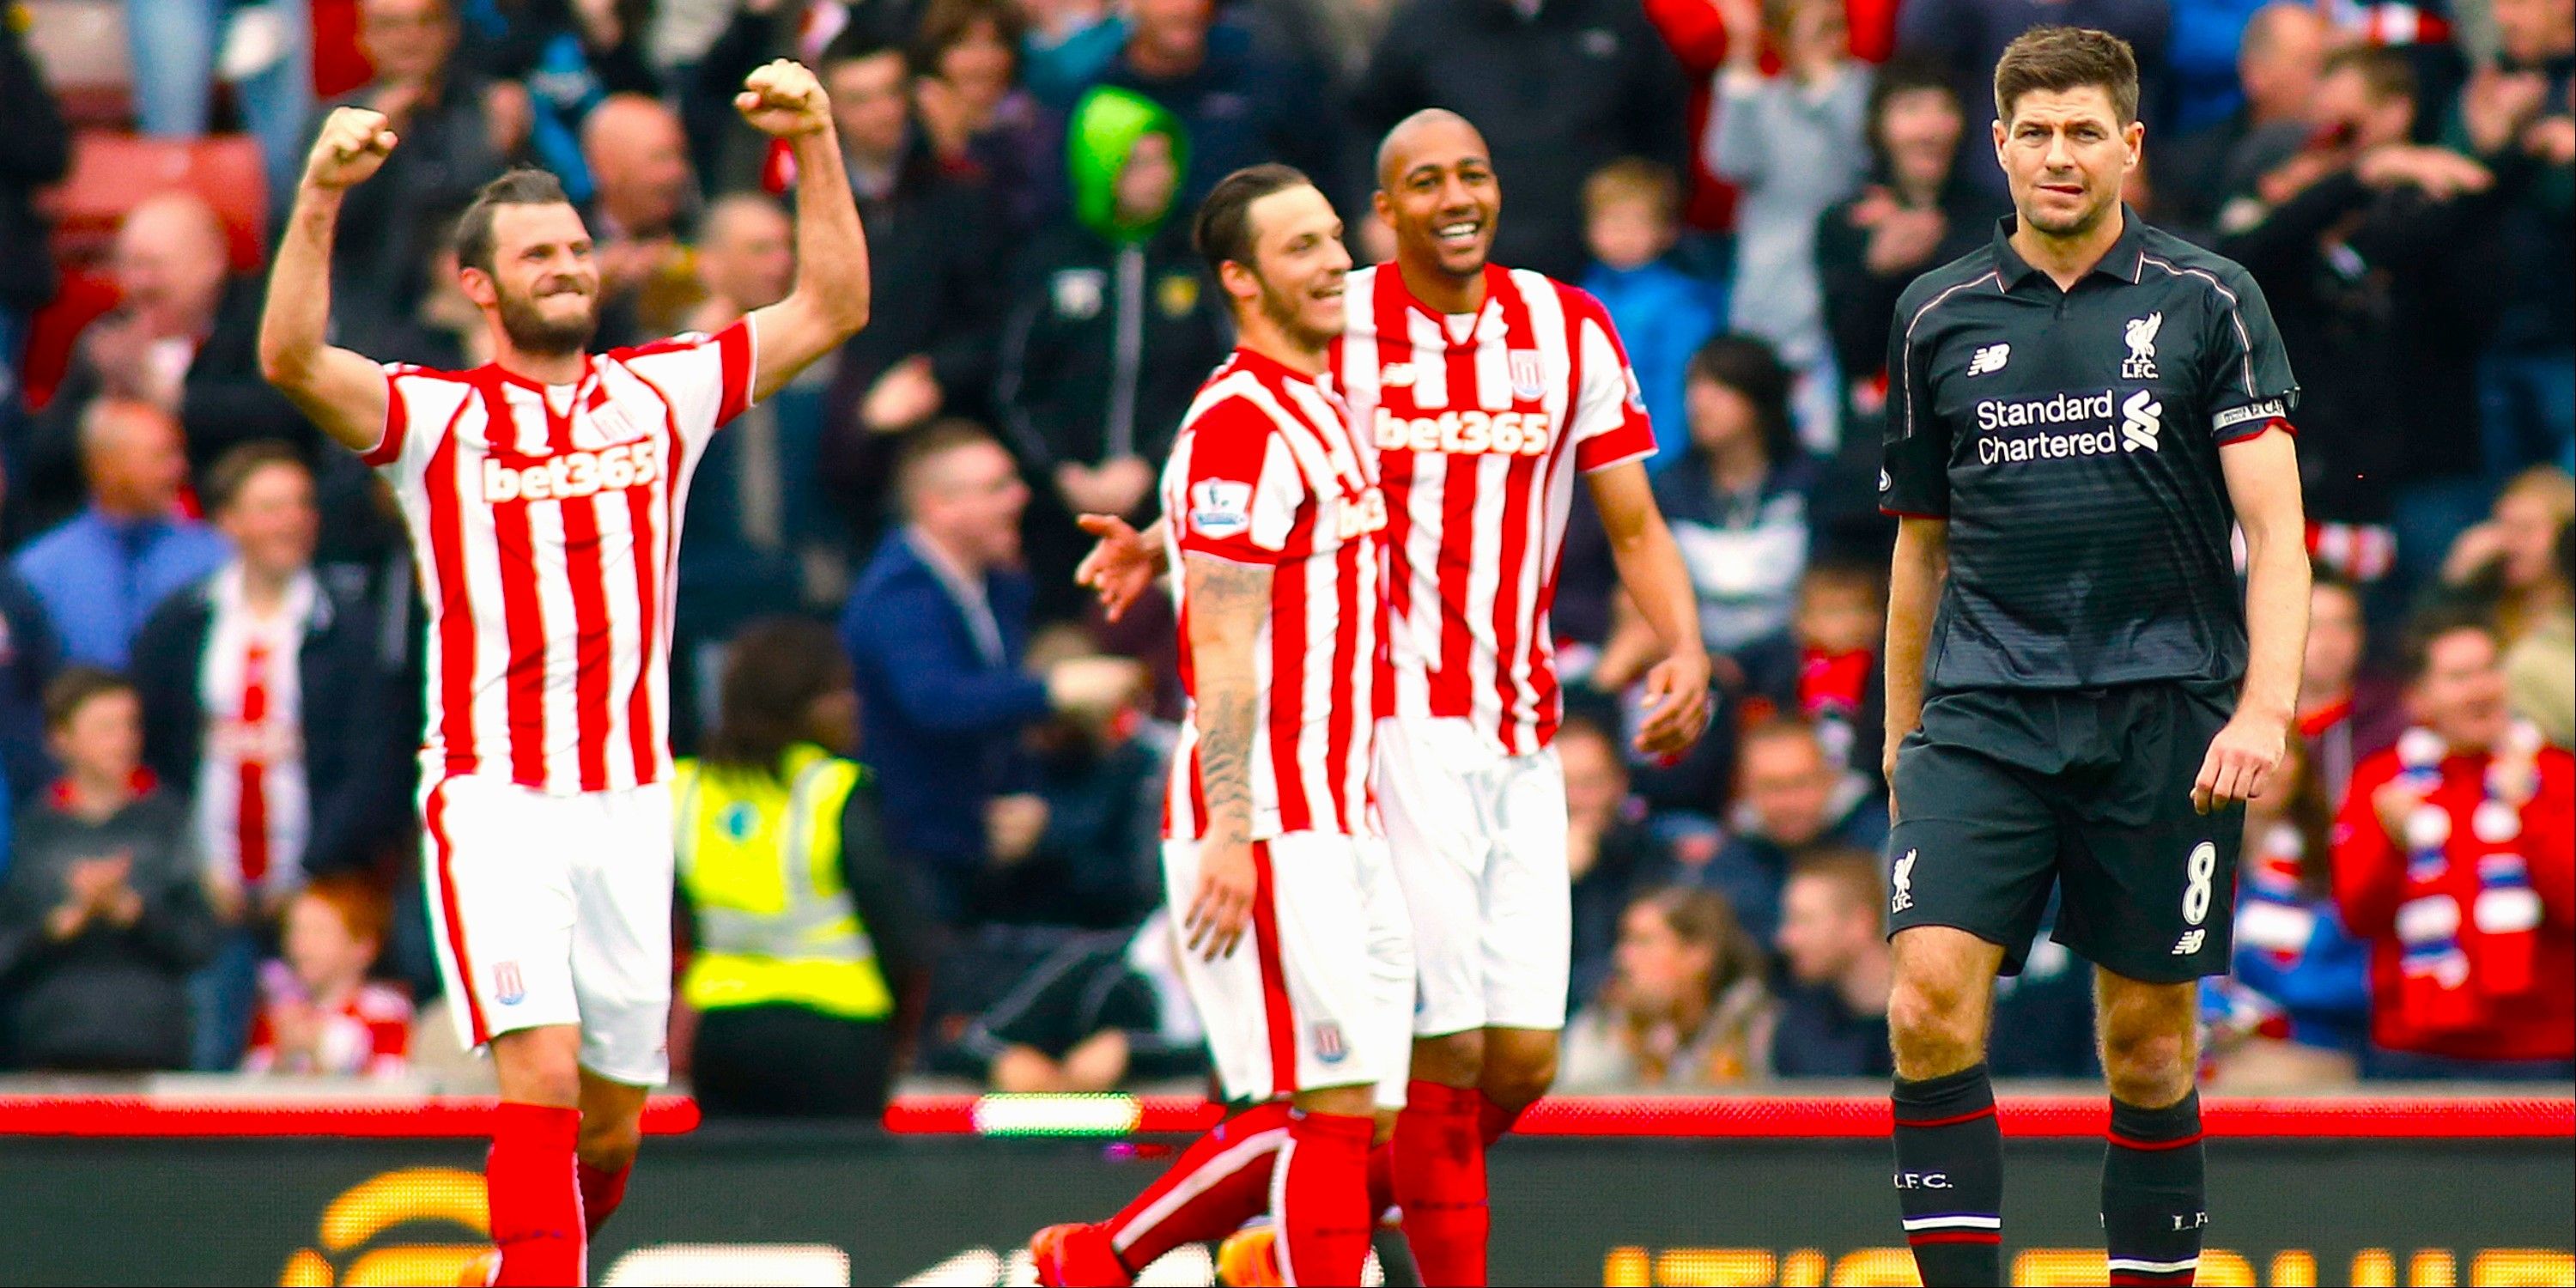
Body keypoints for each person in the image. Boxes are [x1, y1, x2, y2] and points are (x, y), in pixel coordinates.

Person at [255, 57, 871, 1283]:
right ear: (477, 284)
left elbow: (832, 308)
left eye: (578, 247)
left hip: (631, 799)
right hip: (497, 795)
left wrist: (820, 136)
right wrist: (318, 198)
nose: (570, 267)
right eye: (539, 254)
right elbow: (289, 360)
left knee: (613, 1117)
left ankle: (519, 1266)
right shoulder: (435, 418)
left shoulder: (663, 394)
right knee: (536, 1074)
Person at [1076, 111, 1713, 1287]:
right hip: (1392, 731)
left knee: (1518, 1062)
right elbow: (1248, 458)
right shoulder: (1345, 319)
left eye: (1474, 172)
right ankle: (1278, 1238)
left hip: (1525, 728)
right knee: (1430, 1063)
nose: (1456, 196)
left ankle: (1272, 1231)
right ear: (1388, 210)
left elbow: (1631, 517)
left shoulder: (1568, 325)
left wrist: (1685, 646)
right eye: (1425, 181)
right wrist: (1171, 540)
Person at [1877, 28, 2309, 1288]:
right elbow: (1917, 555)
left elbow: (2278, 532)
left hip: (2164, 719)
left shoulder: (2210, 299)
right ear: (1998, 147)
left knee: (2150, 1051)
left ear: (2128, 146)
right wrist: (1904, 739)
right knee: (1925, 1003)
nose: (2058, 156)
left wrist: (2262, 711)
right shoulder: (1934, 315)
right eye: (2035, 133)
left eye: (2084, 132)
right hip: (1982, 715)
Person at [1026, 164, 1410, 1288]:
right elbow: (1222, 648)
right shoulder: (1243, 420)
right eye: (1303, 247)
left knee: (1375, 1113)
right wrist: (1234, 833)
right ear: (1241, 279)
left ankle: (1100, 1259)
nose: (1337, 260)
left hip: (1339, 808)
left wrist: (1164, 537)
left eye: (1336, 237)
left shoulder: (1318, 392)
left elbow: (1239, 531)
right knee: (1332, 1111)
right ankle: (1116, 1258)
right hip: (1272, 812)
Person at [129, 442, 405, 1071]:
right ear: (228, 520)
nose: (293, 521)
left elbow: (372, 762)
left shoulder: (348, 629)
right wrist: (193, 864)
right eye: (272, 507)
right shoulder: (182, 625)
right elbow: (158, 752)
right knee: (210, 1055)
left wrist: (309, 869)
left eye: (302, 505)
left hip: (319, 895)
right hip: (206, 892)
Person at [839, 422, 1144, 925]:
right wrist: (1059, 688)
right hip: (918, 863)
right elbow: (937, 701)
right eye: (997, 487)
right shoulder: (898, 595)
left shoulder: (995, 586)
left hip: (981, 853)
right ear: (939, 505)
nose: (1020, 497)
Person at [996, 87, 1230, 617]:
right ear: (1100, 166)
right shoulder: (1050, 255)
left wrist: (1149, 464)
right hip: (1060, 509)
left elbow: (1217, 376)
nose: (1156, 175)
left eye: (1164, 158)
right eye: (1136, 162)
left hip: (1165, 495)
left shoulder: (1193, 255)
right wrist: (1063, 472)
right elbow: (1015, 384)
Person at [677, 617, 922, 1119]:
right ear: (800, 701)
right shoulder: (834, 788)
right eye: (839, 692)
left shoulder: (683, 789)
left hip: (722, 1031)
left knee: (737, 1194)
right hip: (838, 1029)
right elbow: (898, 930)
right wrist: (905, 1029)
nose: (853, 705)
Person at [2333, 611, 2574, 1080]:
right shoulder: (2383, 784)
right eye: (2460, 677)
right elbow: (2356, 916)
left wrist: (2531, 810)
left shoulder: (2555, 773)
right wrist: (2391, 843)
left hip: (2542, 1053)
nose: (2482, 689)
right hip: (2413, 1050)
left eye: (2489, 670)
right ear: (2419, 699)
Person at [810, 30, 1006, 539]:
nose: (882, 111)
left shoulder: (958, 194)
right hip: (837, 441)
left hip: (939, 427)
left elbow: (996, 319)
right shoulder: (808, 206)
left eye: (891, 92)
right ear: (832, 113)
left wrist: (931, 374)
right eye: (860, 99)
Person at [25, 194, 313, 535]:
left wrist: (175, 400)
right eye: (129, 266)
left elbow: (288, 420)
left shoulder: (261, 328)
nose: (140, 283)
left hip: (229, 534)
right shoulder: (107, 342)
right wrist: (107, 401)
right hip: (122, 538)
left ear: (210, 264)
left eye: (154, 266)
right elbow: (42, 458)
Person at [1353, 0, 1692, 283]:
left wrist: (1656, 213)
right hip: (1460, 255)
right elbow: (1367, 118)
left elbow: (1662, 123)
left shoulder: (1617, 17)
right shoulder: (1427, 21)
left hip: (1601, 265)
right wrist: (1372, 210)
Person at [0, 669, 216, 1071]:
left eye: (130, 726)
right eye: (105, 728)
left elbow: (201, 942)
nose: (123, 742)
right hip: (46, 1049)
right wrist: (58, 925)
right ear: (60, 739)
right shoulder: (30, 831)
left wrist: (133, 913)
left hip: (151, 1047)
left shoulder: (169, 822)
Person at [1599, 335, 1818, 704]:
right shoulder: (1669, 488)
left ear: (1759, 399)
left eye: (1720, 387)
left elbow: (1827, 592)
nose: (1700, 402)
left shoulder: (1811, 483)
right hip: (1695, 659)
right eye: (1695, 386)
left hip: (1793, 659)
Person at [303, 0, 529, 352]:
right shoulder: (335, 126)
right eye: (392, 27)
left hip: (479, 299)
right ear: (365, 38)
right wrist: (363, 152)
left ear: (451, 31)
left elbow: (528, 205)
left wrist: (503, 150)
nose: (411, 38)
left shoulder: (492, 110)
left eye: (426, 22)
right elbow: (307, 229)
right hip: (378, 315)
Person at [1815, 59, 2000, 477]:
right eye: (1912, 110)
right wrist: (1879, 269)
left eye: (1943, 109)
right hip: (1877, 456)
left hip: (1977, 449)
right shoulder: (1848, 223)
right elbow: (1853, 354)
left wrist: (1935, 251)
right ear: (1878, 127)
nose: (1930, 127)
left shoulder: (1998, 221)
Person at [1705, 0, 1872, 455]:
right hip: (1771, 286)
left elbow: (1863, 157)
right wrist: (1740, 57)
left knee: (1830, 435)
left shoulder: (1860, 91)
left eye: (1836, 29)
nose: (1831, 43)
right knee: (1765, 426)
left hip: (1838, 289)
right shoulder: (1764, 99)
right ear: (1781, 41)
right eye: (1814, 32)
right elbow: (1727, 161)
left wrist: (1824, 91)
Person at [11, 398, 233, 669]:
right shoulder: (39, 572)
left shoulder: (217, 557)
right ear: (106, 465)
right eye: (161, 456)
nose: (180, 469)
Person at [2201, 733, 2368, 1088]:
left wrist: (2282, 989)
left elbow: (2364, 978)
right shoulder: (2196, 864)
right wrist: (2216, 1010)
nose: (2269, 765)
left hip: (2309, 1059)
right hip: (2209, 1063)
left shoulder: (2332, 860)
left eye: (2284, 751)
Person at [952, 910, 1207, 1091]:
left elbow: (1232, 1064)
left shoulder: (1246, 970)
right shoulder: (1098, 967)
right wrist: (1004, 1062)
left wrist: (1131, 1052)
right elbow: (979, 1040)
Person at [1577, 159, 1722, 474]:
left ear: (1667, 231)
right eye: (1612, 223)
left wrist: (1660, 469)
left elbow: (1678, 393)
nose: (1623, 237)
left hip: (1653, 467)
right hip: (1584, 465)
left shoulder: (1682, 303)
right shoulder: (1578, 297)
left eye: (1637, 225)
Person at [1557, 886, 1771, 1089]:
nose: (1622, 959)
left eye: (1643, 942)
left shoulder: (1762, 1033)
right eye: (1624, 941)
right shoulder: (1603, 1028)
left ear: (1697, 954)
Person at [2157, 3, 2330, 237]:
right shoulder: (2190, 166)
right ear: (2255, 74)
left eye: (2328, 66)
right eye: (2307, 64)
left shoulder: (2338, 157)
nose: (2324, 83)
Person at [241, 874, 415, 1077]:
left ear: (363, 946)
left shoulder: (386, 1012)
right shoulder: (279, 1014)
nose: (301, 945)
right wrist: (280, 1059)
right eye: (296, 931)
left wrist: (324, 1044)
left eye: (319, 932)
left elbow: (395, 1084)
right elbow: (248, 1087)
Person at [580, 94, 704, 343]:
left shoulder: (701, 228)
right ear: (607, 166)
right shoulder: (566, 234)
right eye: (660, 158)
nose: (677, 173)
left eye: (680, 156)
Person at [1560, 714, 1664, 1009]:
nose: (1574, 799)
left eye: (1590, 783)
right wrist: (1558, 880)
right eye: (1562, 784)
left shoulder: (1651, 855)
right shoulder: (1509, 866)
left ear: (1619, 784)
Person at [1768, 848, 1894, 1077]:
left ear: (1860, 924)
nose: (1786, 939)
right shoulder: (1797, 1031)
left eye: (1804, 921)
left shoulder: (1937, 1026)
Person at [2295, 573, 2408, 801]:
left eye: (2342, 624)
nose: (2329, 640)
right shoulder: (2243, 717)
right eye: (2312, 625)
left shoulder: (2392, 720)